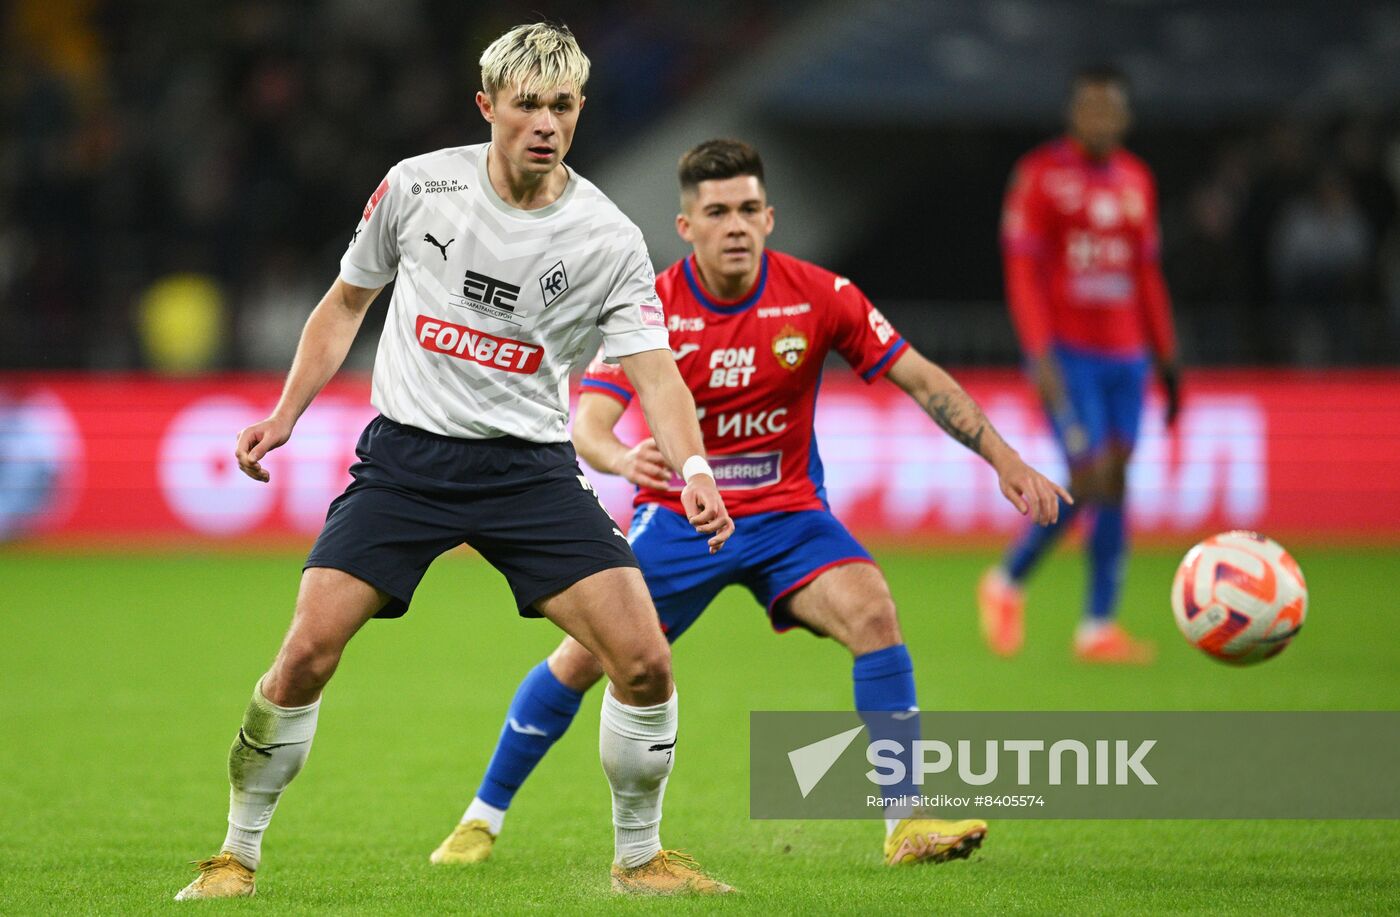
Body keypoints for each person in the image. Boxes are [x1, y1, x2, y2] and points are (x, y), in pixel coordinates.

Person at [175, 23, 736, 900]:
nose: (544, 124)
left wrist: (696, 470)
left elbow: (654, 373)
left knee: (644, 660)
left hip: (530, 473)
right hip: (405, 463)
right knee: (306, 656)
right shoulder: (417, 186)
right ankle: (234, 854)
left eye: (561, 106)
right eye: (526, 106)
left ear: (580, 110)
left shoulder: (608, 236)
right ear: (488, 108)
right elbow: (346, 301)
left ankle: (640, 860)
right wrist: (287, 412)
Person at [429, 139, 1070, 870]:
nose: (734, 225)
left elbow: (921, 379)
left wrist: (1005, 457)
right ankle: (481, 817)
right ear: (687, 226)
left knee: (873, 610)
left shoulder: (822, 295)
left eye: (746, 210)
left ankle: (905, 820)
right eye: (717, 212)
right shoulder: (651, 307)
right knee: (582, 659)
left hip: (789, 517)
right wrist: (620, 458)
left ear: (769, 217)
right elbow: (589, 427)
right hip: (678, 522)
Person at [979, 64, 1181, 664]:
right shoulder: (1040, 177)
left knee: (1114, 485)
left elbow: (1146, 274)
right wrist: (1038, 352)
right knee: (1089, 475)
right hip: (1069, 355)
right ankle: (1006, 580)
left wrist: (1167, 358)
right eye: (1089, 107)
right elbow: (1022, 272)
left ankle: (1097, 628)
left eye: (1109, 109)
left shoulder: (1137, 180)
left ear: (1124, 117)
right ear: (1073, 113)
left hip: (1128, 357)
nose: (1099, 118)